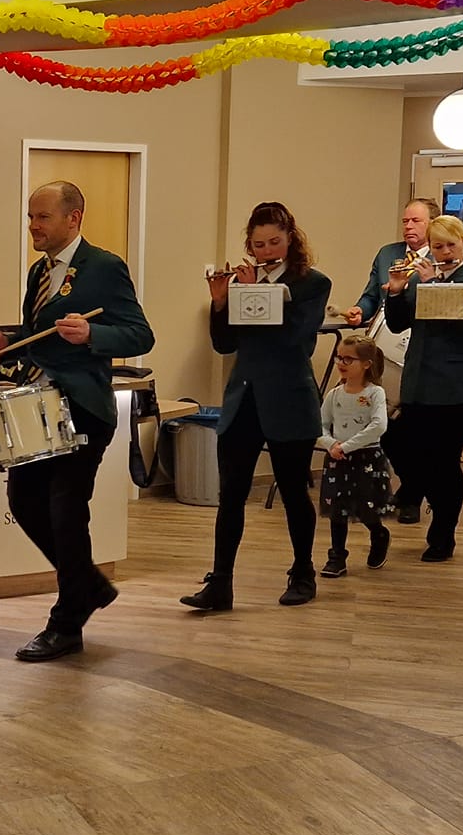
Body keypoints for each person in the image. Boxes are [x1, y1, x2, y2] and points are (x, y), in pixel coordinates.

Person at [0, 181, 154, 657]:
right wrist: (6, 342)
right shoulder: (38, 272)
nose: (33, 226)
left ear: (73, 219)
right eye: (31, 217)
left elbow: (140, 335)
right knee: (23, 501)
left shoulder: (105, 267)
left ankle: (67, 623)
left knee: (66, 511)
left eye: (42, 217)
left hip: (82, 408)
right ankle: (87, 584)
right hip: (37, 407)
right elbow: (40, 339)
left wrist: (93, 333)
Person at [181, 202, 330, 612]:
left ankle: (303, 573)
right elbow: (224, 344)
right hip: (243, 399)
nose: (267, 252)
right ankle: (220, 583)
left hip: (289, 398)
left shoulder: (312, 283)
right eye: (259, 245)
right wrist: (221, 302)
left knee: (293, 491)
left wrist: (255, 296)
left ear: (290, 239)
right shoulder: (242, 283)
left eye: (274, 243)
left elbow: (294, 338)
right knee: (231, 493)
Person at [380, 214, 463, 562]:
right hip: (419, 382)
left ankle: (443, 535)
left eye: (450, 245)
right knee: (394, 440)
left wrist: (432, 285)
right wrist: (397, 291)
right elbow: (398, 324)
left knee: (444, 463)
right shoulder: (420, 278)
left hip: (458, 387)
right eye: (438, 246)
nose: (444, 252)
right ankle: (415, 488)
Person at [345, 197, 436, 524]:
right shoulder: (388, 254)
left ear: (432, 224)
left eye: (416, 221)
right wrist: (360, 310)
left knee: (414, 427)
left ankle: (412, 495)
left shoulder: (439, 257)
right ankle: (410, 486)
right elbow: (372, 294)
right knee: (383, 423)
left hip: (422, 350)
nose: (408, 226)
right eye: (405, 221)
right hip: (383, 349)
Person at [316, 333, 393, 578]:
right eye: (339, 357)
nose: (341, 363)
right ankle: (337, 556)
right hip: (337, 459)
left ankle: (379, 534)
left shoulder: (375, 393)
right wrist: (331, 444)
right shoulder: (334, 394)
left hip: (366, 458)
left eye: (348, 359)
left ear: (366, 364)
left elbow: (378, 426)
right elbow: (320, 425)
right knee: (337, 509)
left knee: (365, 506)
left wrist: (347, 446)